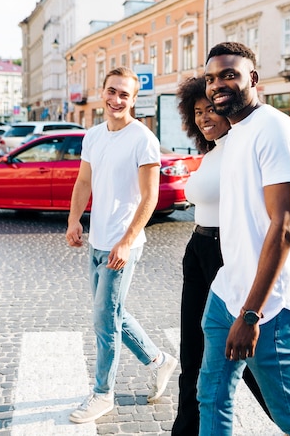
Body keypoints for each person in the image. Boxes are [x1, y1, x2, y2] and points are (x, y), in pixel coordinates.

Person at [198, 42, 290, 436]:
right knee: (211, 395)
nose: (217, 84)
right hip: (227, 292)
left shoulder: (273, 127)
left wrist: (251, 313)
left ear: (253, 79)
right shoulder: (236, 131)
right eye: (211, 78)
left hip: (269, 306)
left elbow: (284, 224)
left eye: (229, 74)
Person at [66, 66, 178, 424]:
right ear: (103, 92)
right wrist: (73, 220)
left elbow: (149, 197)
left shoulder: (142, 139)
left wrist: (127, 242)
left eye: (124, 95)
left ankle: (103, 394)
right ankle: (161, 362)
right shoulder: (93, 136)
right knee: (113, 313)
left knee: (103, 320)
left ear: (132, 99)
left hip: (123, 245)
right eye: (112, 92)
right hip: (97, 240)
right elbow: (84, 182)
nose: (116, 100)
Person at [171, 77, 271, 436]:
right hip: (197, 252)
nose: (203, 118)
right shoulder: (212, 152)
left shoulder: (240, 147)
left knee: (254, 367)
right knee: (192, 356)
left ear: (228, 107)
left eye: (210, 109)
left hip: (225, 254)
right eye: (197, 112)